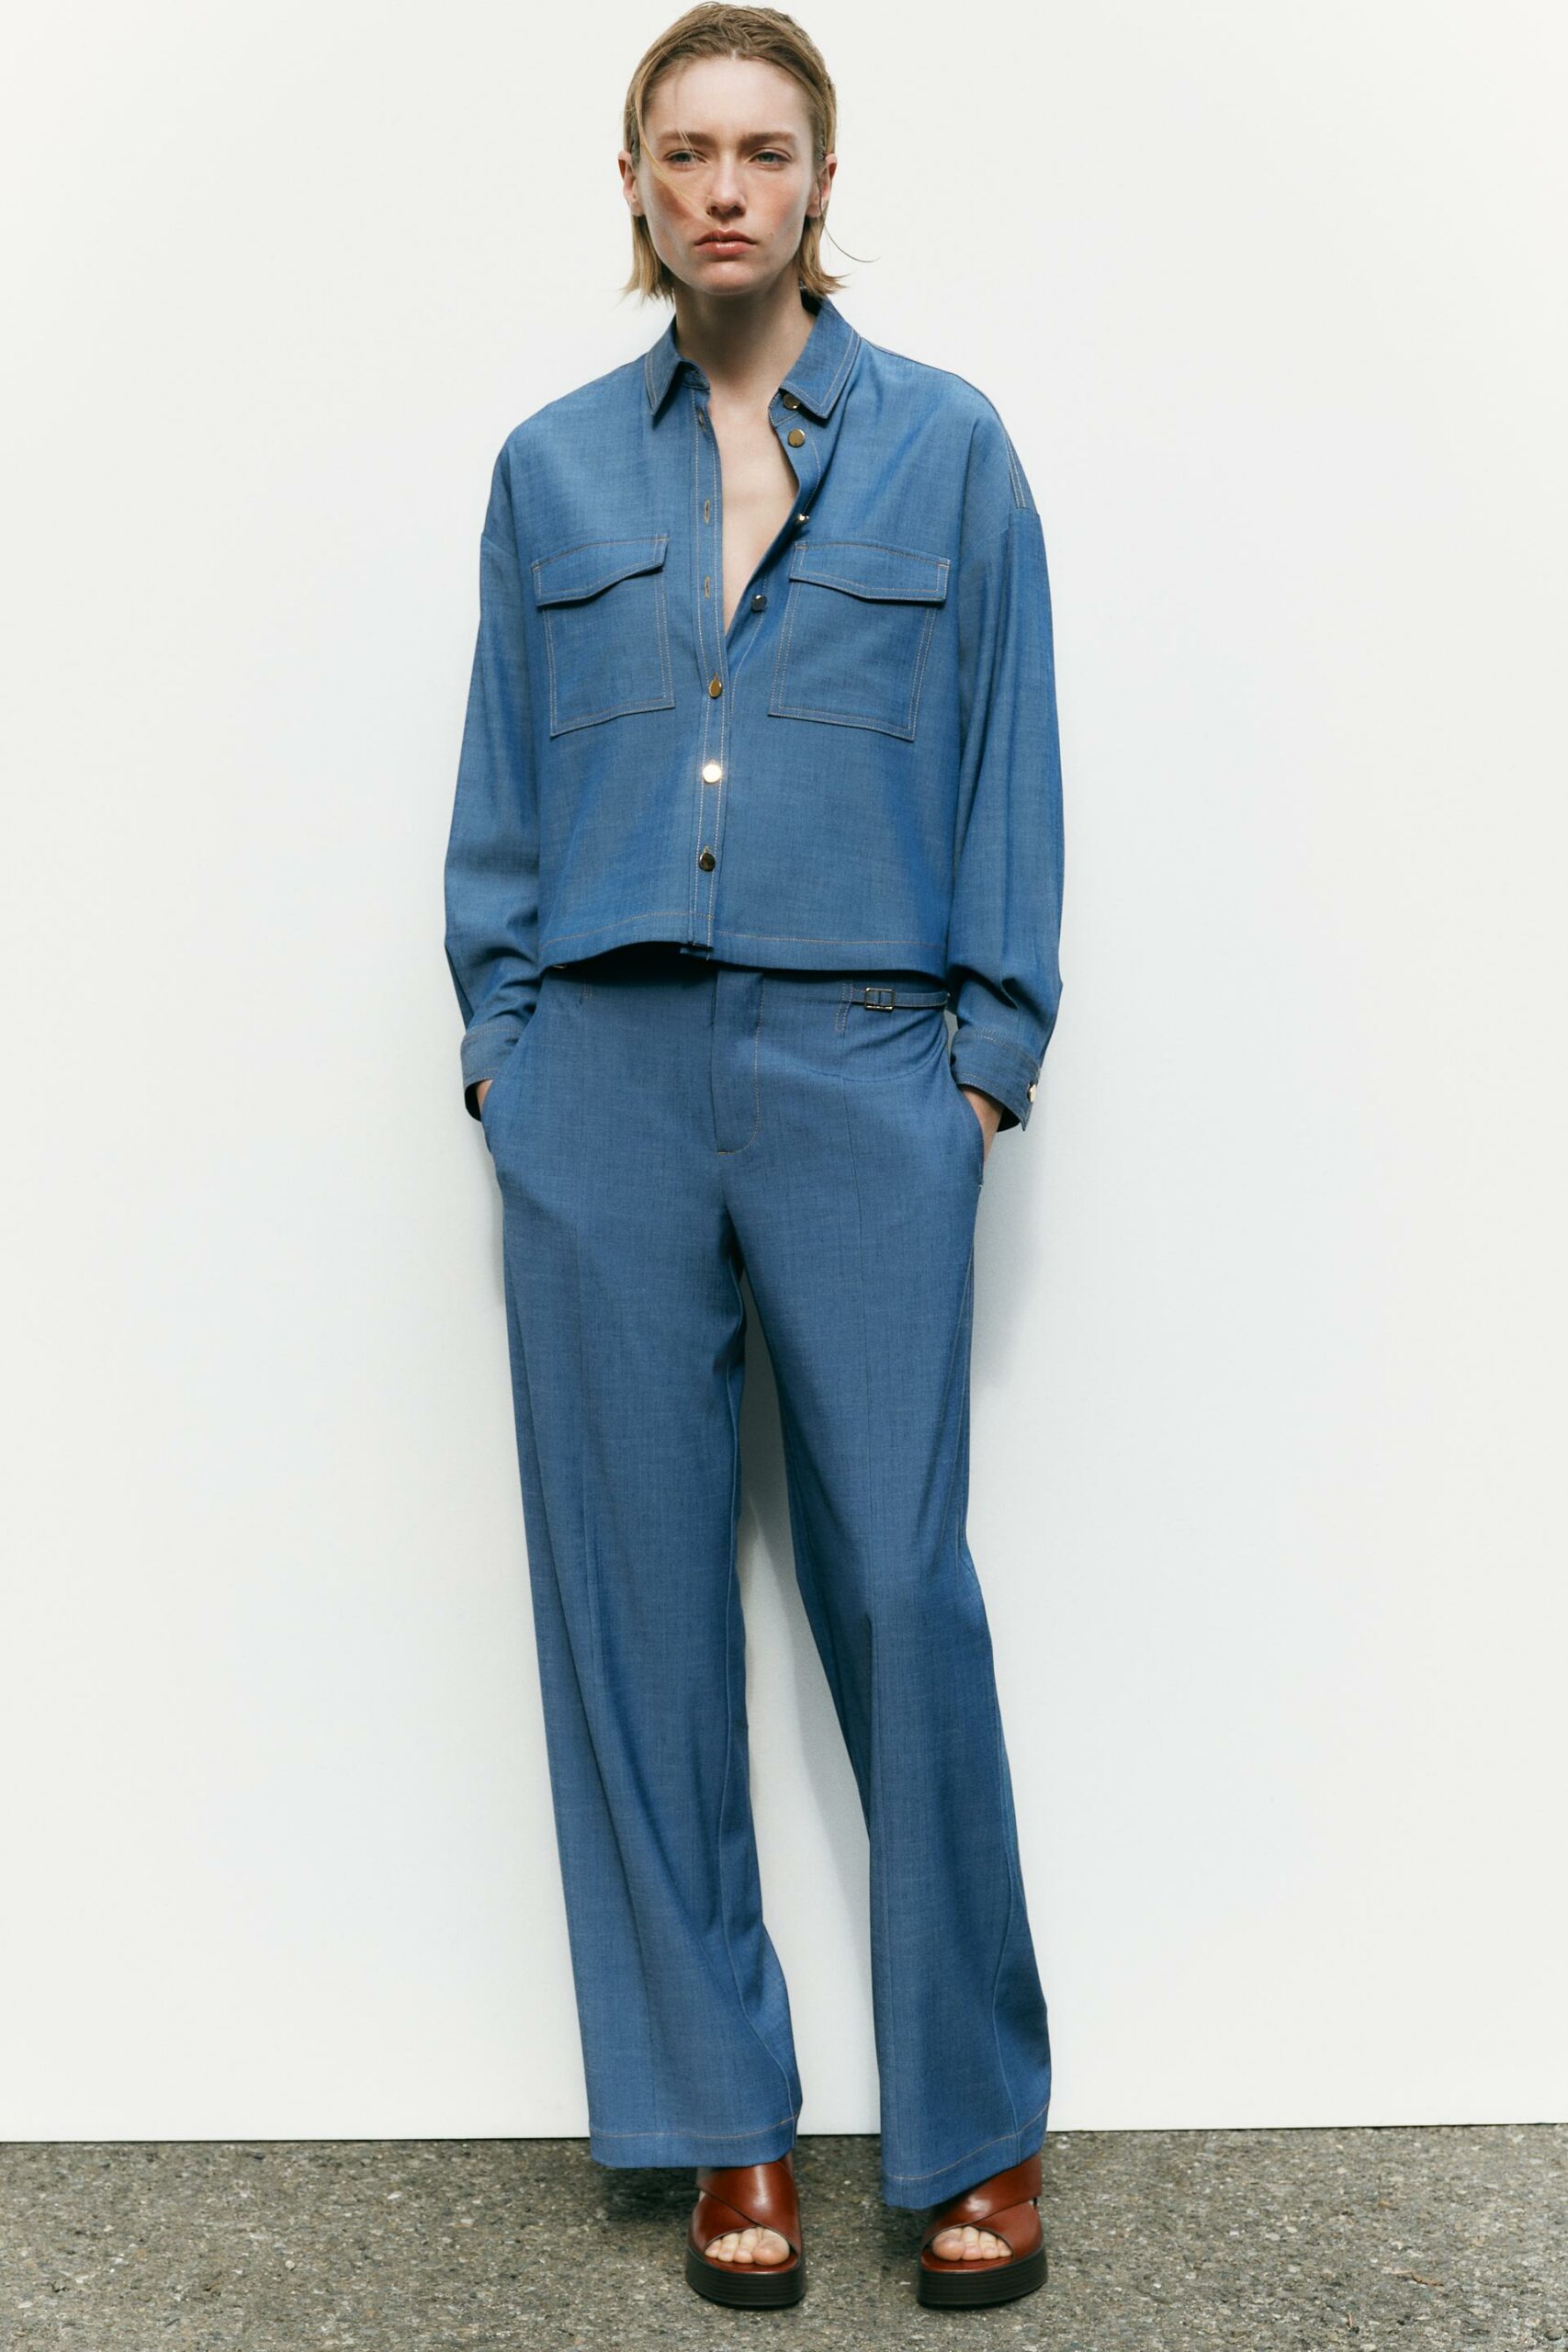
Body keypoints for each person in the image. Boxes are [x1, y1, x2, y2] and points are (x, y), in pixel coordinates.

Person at [443, 2, 1065, 2313]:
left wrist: (978, 1061)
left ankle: (971, 2124)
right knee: (636, 1609)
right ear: (633, 183)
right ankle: (726, 2126)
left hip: (862, 1065)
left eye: (763, 151)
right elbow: (501, 786)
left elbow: (1006, 754)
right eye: (685, 149)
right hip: (597, 1070)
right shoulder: (545, 472)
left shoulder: (946, 450)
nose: (723, 187)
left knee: (897, 1583)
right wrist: (507, 1053)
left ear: (818, 183)